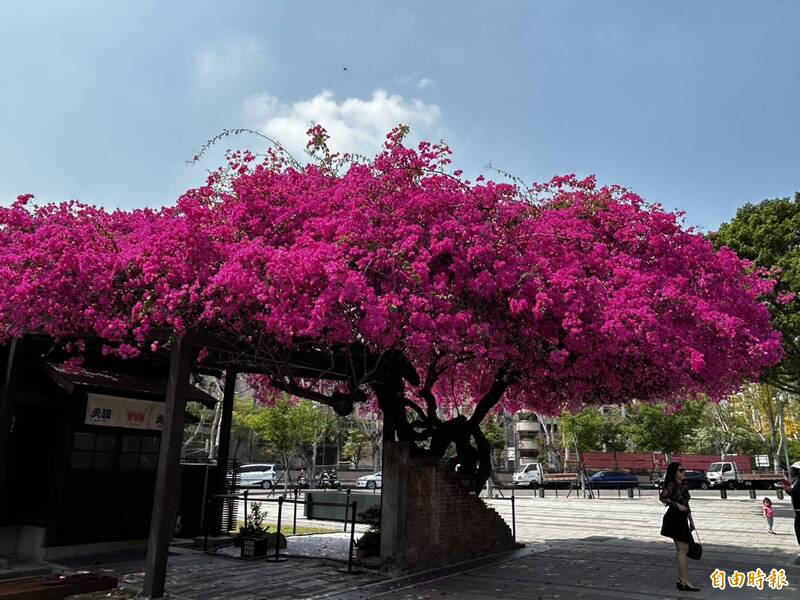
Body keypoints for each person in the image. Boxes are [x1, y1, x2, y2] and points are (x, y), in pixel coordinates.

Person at [659, 462, 700, 592]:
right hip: (673, 518)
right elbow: (663, 497)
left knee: (682, 548)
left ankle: (682, 580)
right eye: (681, 470)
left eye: (683, 470)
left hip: (682, 518)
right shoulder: (671, 484)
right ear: (675, 473)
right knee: (683, 548)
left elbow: (686, 504)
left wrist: (691, 521)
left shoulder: (684, 485)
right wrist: (677, 505)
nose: (684, 472)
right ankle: (683, 580)